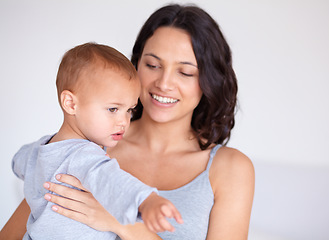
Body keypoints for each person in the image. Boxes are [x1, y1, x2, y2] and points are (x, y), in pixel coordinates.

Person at [0, 3, 255, 240]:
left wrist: (120, 223)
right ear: (136, 66)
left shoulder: (230, 169)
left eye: (185, 71)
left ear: (209, 80)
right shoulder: (88, 143)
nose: (164, 83)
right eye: (153, 65)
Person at [8, 42, 182, 240]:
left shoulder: (37, 150)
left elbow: (17, 162)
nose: (123, 121)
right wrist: (147, 201)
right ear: (71, 103)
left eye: (129, 110)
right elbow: (113, 183)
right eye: (112, 109)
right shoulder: (85, 155)